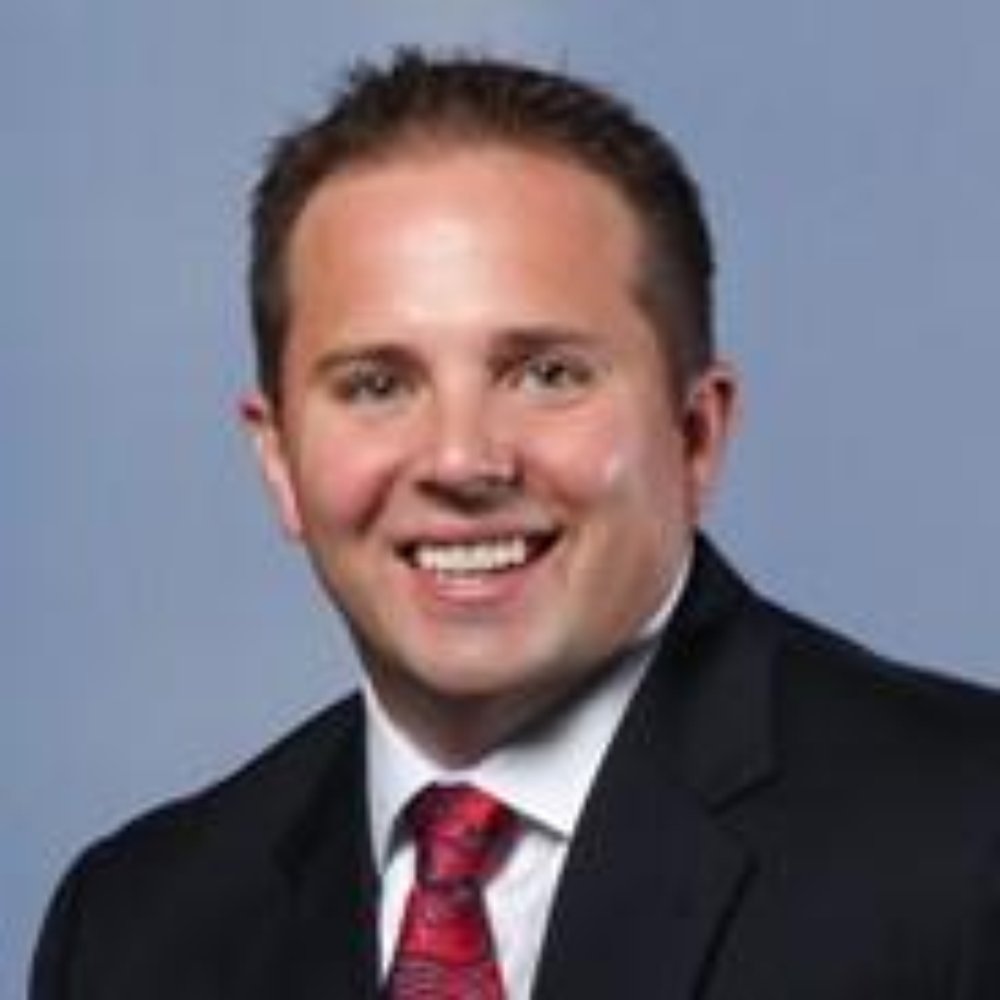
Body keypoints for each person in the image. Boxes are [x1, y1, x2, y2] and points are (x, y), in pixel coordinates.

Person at [32, 49, 1000, 999]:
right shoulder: (132, 927)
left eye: (546, 374)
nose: (461, 461)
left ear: (695, 434)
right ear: (278, 459)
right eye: (376, 385)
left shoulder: (967, 839)